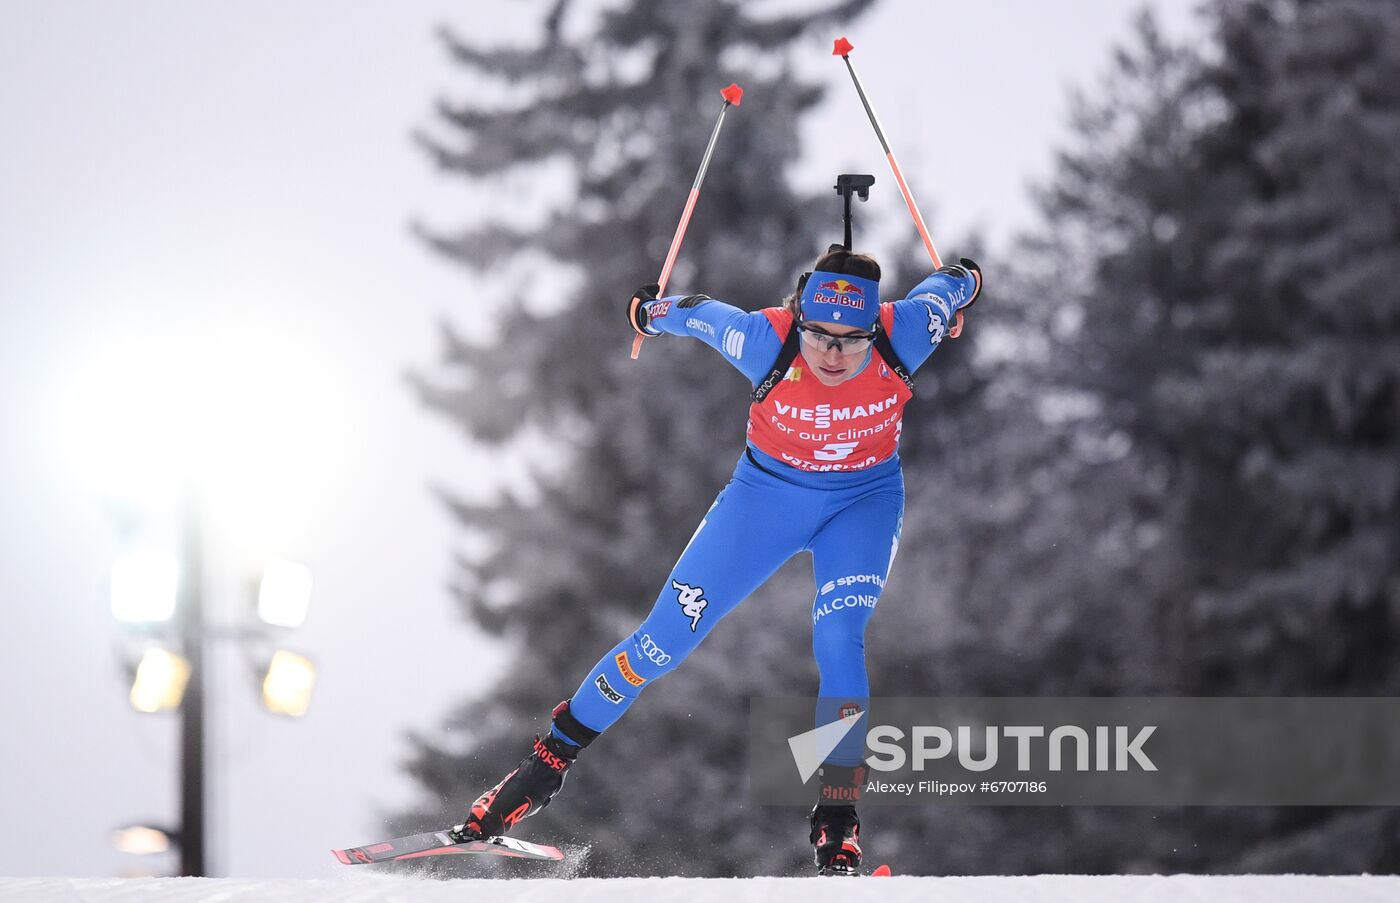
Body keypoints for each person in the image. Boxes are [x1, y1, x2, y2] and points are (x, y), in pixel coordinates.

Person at [453, 246, 981, 875]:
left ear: (875, 328)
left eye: (851, 340)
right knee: (662, 641)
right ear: (798, 319)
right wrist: (649, 312)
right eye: (818, 335)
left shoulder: (907, 333)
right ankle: (536, 775)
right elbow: (697, 312)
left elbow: (946, 286)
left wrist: (966, 279)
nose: (833, 355)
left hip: (861, 505)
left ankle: (837, 818)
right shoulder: (763, 339)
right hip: (763, 502)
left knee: (839, 638)